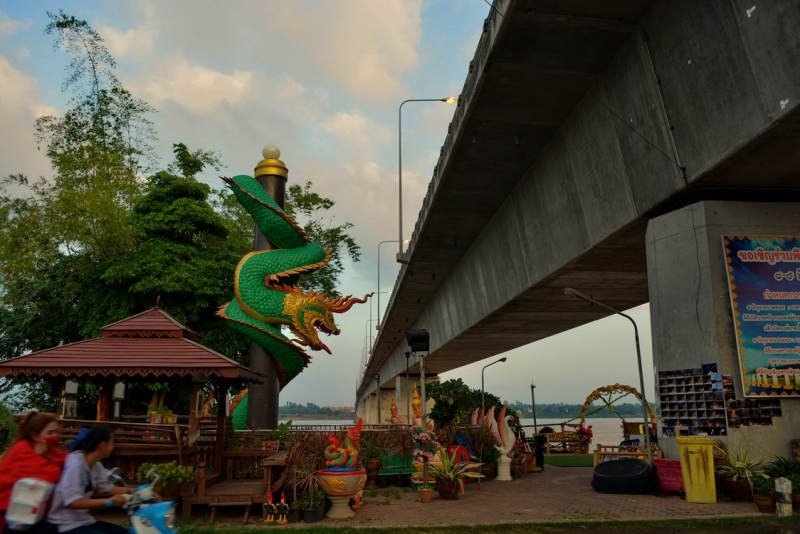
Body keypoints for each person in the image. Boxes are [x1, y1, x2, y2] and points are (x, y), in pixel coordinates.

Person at [47, 427, 133, 534]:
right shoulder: (76, 465)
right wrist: (108, 501)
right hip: (65, 524)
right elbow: (73, 502)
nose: (114, 446)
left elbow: (108, 488)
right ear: (103, 444)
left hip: (83, 520)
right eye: (112, 442)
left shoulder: (95, 464)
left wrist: (139, 491)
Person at [0, 411, 66, 534]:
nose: (55, 436)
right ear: (35, 435)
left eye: (57, 432)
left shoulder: (45, 446)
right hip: (10, 518)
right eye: (50, 433)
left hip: (29, 514)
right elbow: (53, 474)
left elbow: (64, 460)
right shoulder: (23, 448)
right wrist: (46, 456)